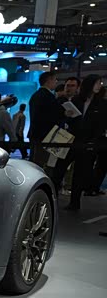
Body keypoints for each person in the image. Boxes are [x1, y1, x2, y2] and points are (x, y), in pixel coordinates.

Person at [66, 74, 105, 211]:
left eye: (100, 83)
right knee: (60, 169)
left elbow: (101, 125)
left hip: (88, 143)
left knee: (80, 173)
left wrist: (94, 141)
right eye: (97, 83)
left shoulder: (101, 103)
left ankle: (75, 202)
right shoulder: (77, 100)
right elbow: (71, 120)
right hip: (72, 140)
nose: (99, 85)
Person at [28, 71, 71, 165]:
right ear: (49, 80)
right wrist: (64, 113)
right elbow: (52, 115)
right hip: (45, 136)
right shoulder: (48, 96)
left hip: (35, 134)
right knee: (42, 163)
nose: (56, 82)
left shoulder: (35, 95)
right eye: (55, 80)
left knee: (34, 162)